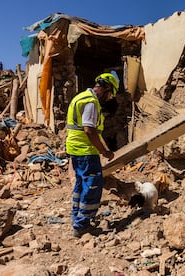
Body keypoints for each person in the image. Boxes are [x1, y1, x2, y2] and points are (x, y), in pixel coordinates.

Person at [65, 72, 119, 238]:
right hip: (86, 151)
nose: (108, 99)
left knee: (80, 184)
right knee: (92, 185)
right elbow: (89, 129)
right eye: (110, 94)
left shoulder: (80, 96)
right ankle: (82, 225)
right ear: (106, 88)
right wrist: (104, 151)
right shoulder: (91, 102)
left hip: (75, 149)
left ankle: (77, 217)